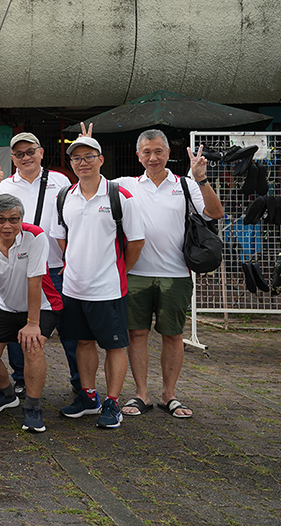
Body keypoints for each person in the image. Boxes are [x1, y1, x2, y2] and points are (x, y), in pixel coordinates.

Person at [116, 130, 223, 419]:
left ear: (167, 153)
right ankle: (141, 394)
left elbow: (215, 213)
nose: (153, 157)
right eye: (147, 152)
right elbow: (89, 182)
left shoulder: (185, 184)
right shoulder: (125, 185)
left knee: (173, 335)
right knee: (136, 333)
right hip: (136, 272)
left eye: (158, 151)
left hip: (176, 273)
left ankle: (169, 394)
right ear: (138, 155)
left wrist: (201, 178)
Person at [52, 135, 145, 429]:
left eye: (89, 157)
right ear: (71, 164)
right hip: (73, 287)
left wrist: (114, 270)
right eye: (77, 158)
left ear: (101, 160)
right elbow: (62, 238)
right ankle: (89, 396)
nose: (83, 163)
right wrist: (78, 264)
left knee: (114, 346)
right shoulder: (65, 196)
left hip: (108, 289)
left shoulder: (119, 196)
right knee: (82, 341)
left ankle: (112, 402)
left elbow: (136, 242)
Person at [0, 132, 77, 397]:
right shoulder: (6, 185)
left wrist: (69, 257)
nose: (25, 157)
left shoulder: (60, 180)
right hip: (22, 266)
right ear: (13, 158)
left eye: (30, 151)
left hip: (56, 266)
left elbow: (71, 221)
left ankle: (79, 382)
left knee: (70, 330)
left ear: (41, 152)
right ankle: (20, 379)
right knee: (22, 327)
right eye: (19, 154)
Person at [0, 195, 62, 433]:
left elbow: (35, 281)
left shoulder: (35, 235)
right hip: (6, 305)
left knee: (32, 347)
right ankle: (6, 393)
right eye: (0, 219)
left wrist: (33, 324)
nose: (7, 226)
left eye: (14, 219)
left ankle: (33, 407)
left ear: (21, 219)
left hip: (42, 305)